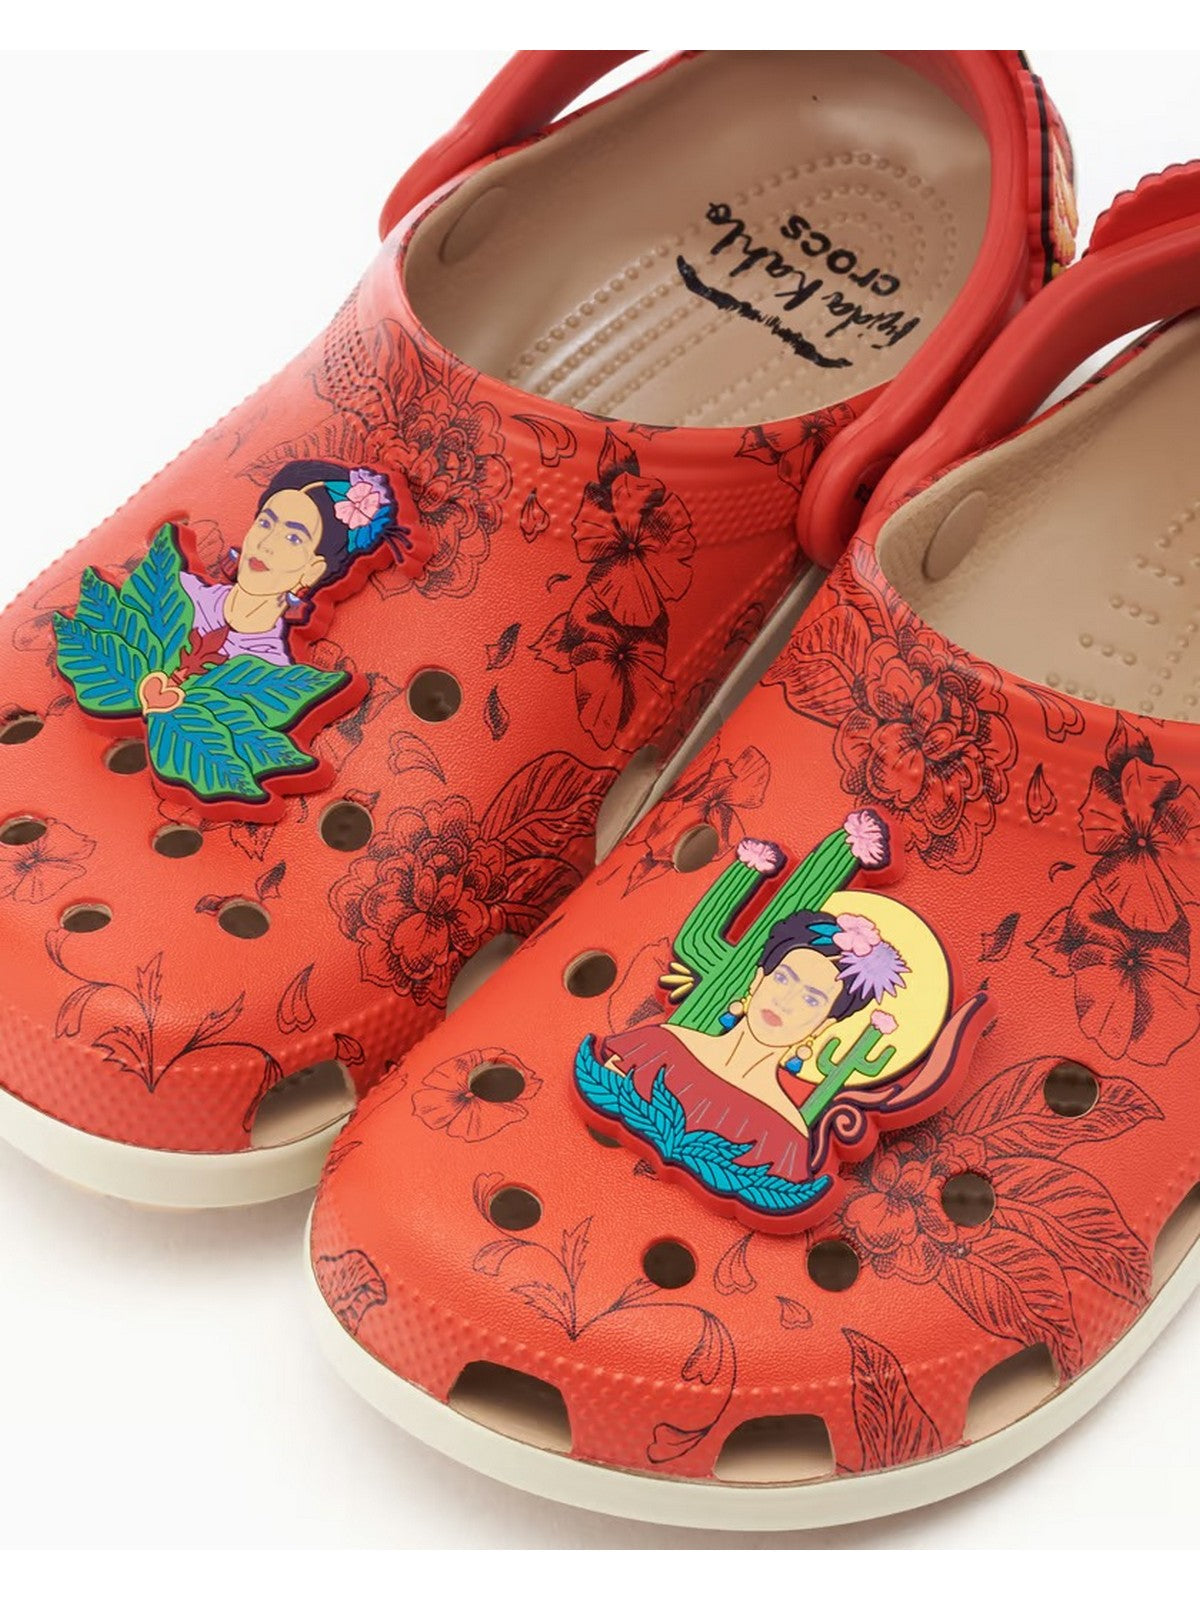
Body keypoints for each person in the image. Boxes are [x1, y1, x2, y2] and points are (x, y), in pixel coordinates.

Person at [598, 908, 907, 1183]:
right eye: (783, 979)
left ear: (825, 1024)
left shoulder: (787, 1140)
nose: (784, 1001)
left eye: (811, 999)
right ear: (759, 979)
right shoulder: (654, 1047)